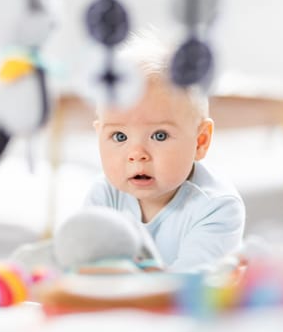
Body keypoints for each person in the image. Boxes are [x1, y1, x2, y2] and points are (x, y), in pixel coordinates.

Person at [84, 30, 246, 272]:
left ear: (200, 141)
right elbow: (84, 264)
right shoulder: (105, 196)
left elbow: (191, 287)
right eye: (119, 136)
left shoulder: (217, 207)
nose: (137, 153)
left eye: (159, 135)